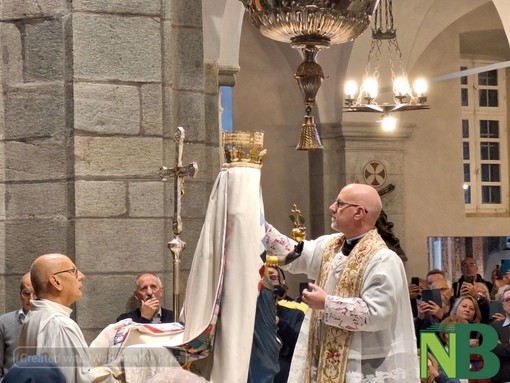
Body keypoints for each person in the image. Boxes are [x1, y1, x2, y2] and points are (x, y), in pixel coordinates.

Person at [266, 183, 419, 382]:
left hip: (362, 361)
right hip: (323, 356)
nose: (332, 207)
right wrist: (260, 226)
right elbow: (293, 254)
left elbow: (377, 314)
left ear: (358, 212)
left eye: (339, 203)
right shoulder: (331, 246)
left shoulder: (383, 260)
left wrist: (326, 304)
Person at [18, 253, 118, 383]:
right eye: (73, 271)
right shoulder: (60, 324)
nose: (81, 276)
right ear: (56, 281)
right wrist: (118, 369)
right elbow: (78, 380)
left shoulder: (33, 317)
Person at [267, 266, 306, 383]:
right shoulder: (242, 317)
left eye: (272, 277)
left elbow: (302, 348)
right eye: (262, 277)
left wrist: (279, 323)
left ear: (282, 285)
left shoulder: (295, 315)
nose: (266, 282)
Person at [0, 273, 34, 379]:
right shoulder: (4, 322)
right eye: (26, 293)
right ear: (20, 295)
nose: (31, 299)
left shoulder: (52, 322)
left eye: (36, 294)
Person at [490, 286, 510, 383]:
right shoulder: (494, 326)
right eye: (507, 300)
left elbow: (501, 350)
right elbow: (494, 350)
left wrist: (504, 347)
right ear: (503, 305)